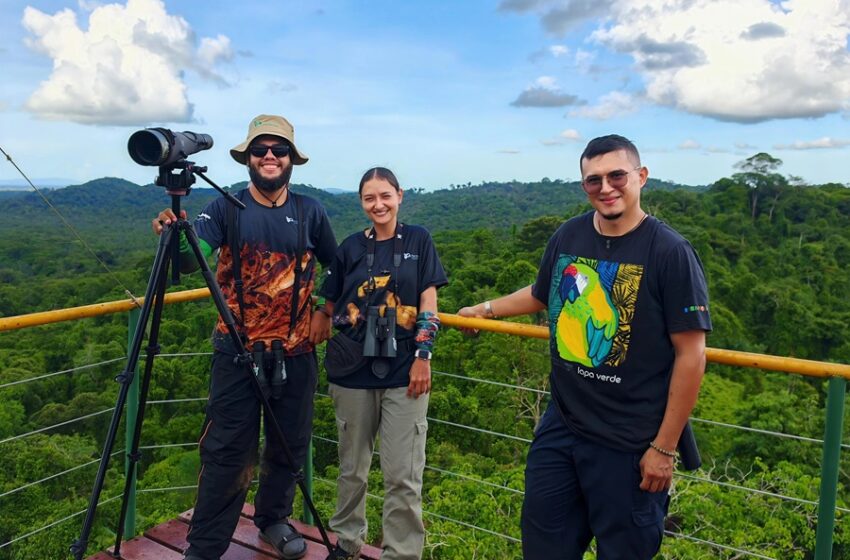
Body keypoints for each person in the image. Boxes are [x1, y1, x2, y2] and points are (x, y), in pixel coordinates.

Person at [458, 135, 711, 559]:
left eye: (617, 176)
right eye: (594, 180)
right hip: (563, 425)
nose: (606, 187)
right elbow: (542, 293)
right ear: (583, 187)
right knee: (543, 546)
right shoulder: (569, 235)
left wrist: (664, 447)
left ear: (641, 177)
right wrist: (486, 309)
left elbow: (692, 355)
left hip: (630, 441)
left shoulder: (670, 252)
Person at [152, 114, 337, 560]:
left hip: (295, 351)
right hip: (237, 351)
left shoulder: (309, 210)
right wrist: (173, 230)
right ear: (248, 159)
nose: (270, 157)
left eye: (279, 150)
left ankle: (273, 518)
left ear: (292, 159)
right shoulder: (224, 207)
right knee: (227, 450)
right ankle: (206, 546)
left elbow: (338, 264)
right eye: (261, 150)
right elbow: (187, 261)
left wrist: (325, 309)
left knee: (289, 443)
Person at [312, 167, 447, 560]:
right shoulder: (351, 247)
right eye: (370, 198)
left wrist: (424, 356)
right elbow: (331, 299)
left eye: (385, 196)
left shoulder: (419, 240)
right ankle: (347, 540)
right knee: (352, 466)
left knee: (402, 474)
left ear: (400, 195)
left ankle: (401, 554)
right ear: (361, 202)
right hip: (353, 365)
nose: (379, 204)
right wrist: (320, 316)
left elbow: (429, 301)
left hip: (406, 366)